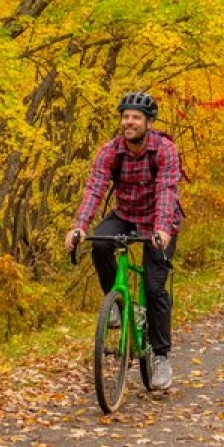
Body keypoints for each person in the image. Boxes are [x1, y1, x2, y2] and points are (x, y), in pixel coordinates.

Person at [64, 91, 184, 392]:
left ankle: (160, 357)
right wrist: (79, 227)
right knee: (101, 242)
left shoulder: (164, 150)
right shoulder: (110, 151)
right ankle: (114, 303)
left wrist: (161, 229)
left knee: (155, 287)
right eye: (125, 117)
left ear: (148, 122)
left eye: (135, 118)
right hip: (126, 214)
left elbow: (167, 191)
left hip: (160, 220)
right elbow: (94, 188)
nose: (128, 122)